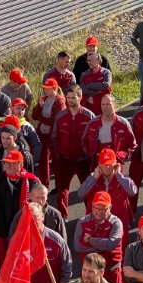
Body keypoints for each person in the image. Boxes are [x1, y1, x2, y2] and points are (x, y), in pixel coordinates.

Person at [0, 150, 38, 258]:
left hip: (24, 230)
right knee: (3, 262)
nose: (8, 165)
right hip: (2, 230)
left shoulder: (32, 182)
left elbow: (40, 205)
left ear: (21, 164)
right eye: (6, 162)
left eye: (12, 163)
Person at [78, 148, 138, 250]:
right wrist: (94, 178)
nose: (108, 167)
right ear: (99, 164)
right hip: (96, 223)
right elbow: (81, 194)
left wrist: (119, 175)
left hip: (118, 222)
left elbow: (132, 192)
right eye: (105, 164)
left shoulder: (121, 177)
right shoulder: (93, 177)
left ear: (115, 164)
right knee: (96, 252)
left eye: (110, 163)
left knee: (120, 251)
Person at [52, 84, 95, 219]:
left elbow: (94, 138)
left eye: (73, 98)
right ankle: (62, 216)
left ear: (80, 97)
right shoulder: (60, 116)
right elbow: (55, 136)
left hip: (84, 160)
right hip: (65, 159)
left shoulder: (89, 116)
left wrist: (90, 155)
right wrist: (58, 154)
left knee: (88, 189)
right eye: (68, 97)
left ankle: (91, 216)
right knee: (62, 189)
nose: (69, 100)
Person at [74, 191, 124, 283]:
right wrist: (103, 247)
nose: (98, 211)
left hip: (111, 271)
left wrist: (90, 240)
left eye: (102, 209)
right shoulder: (82, 221)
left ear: (110, 207)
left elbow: (111, 244)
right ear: (92, 206)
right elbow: (77, 246)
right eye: (95, 208)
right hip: (88, 273)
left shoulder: (116, 223)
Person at [81, 94, 136, 167]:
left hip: (116, 165)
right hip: (97, 165)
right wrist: (91, 154)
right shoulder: (92, 124)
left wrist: (121, 155)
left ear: (115, 105)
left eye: (108, 104)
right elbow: (84, 142)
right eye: (103, 104)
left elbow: (132, 144)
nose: (105, 107)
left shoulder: (123, 124)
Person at [32, 79, 66, 186]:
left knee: (56, 161)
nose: (45, 90)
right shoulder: (44, 99)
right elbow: (34, 115)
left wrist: (41, 118)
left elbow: (55, 121)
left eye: (48, 88)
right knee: (43, 159)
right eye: (44, 88)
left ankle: (59, 186)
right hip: (43, 133)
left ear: (55, 89)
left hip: (54, 135)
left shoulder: (59, 102)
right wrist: (39, 106)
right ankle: (44, 184)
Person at [0, 124, 36, 188]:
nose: (5, 141)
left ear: (15, 138)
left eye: (8, 138)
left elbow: (30, 176)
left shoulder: (25, 155)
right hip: (2, 188)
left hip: (20, 188)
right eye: (3, 138)